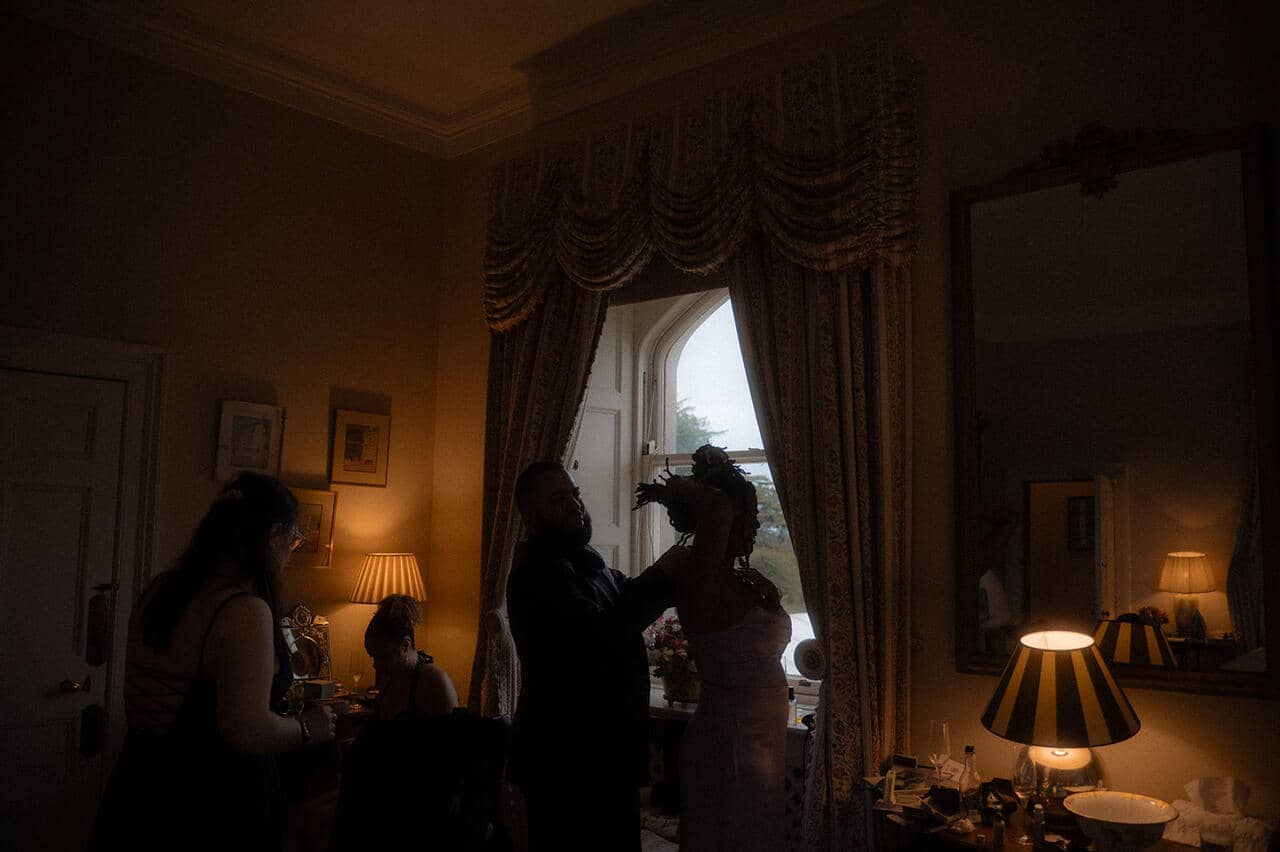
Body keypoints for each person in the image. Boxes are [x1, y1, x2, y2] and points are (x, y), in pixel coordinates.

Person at [90, 473, 337, 852]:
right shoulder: (242, 611)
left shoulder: (161, 589)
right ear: (273, 536)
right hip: (209, 807)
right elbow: (246, 730)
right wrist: (307, 728)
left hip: (138, 790)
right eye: (293, 540)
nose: (290, 553)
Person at [506, 461, 682, 852]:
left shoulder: (590, 564)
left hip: (607, 760)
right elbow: (601, 633)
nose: (575, 505)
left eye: (575, 494)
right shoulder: (535, 575)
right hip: (565, 764)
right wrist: (664, 573)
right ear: (531, 516)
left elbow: (628, 600)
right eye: (558, 499)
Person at [635, 445, 791, 852]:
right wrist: (691, 483)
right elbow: (719, 509)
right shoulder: (696, 576)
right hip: (729, 743)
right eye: (748, 511)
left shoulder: (744, 579)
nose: (756, 521)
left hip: (765, 742)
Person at [330, 595, 480, 851]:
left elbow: (447, 760)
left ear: (405, 644)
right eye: (372, 657)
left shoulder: (433, 682)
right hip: (390, 788)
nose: (376, 665)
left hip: (418, 796)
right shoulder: (389, 680)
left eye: (382, 657)